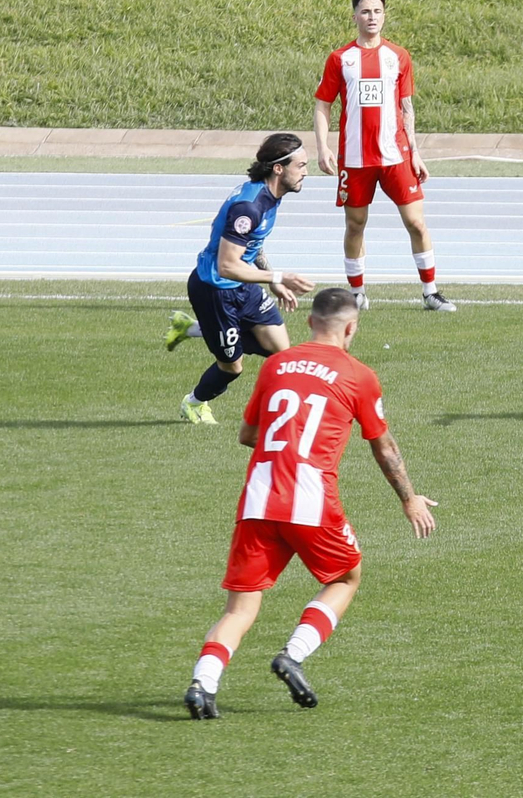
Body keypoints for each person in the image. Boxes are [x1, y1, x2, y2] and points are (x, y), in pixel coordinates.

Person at [183, 287, 438, 719]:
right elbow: (384, 446)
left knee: (241, 606)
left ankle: (202, 684)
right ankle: (292, 655)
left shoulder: (277, 365)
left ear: (308, 323)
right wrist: (409, 498)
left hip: (258, 496)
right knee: (345, 578)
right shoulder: (359, 375)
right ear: (352, 327)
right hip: (310, 498)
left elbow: (247, 435)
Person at [313, 0, 455, 313]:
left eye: (377, 11)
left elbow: (407, 107)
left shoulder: (398, 56)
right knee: (355, 225)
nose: (372, 17)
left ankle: (430, 292)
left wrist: (416, 152)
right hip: (355, 158)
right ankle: (357, 293)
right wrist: (322, 147)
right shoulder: (341, 59)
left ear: (384, 16)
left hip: (396, 156)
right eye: (365, 12)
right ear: (355, 17)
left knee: (416, 222)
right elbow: (323, 104)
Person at [164, 134, 317, 425]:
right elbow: (226, 266)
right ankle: (194, 402)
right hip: (214, 291)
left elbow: (253, 244)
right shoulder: (248, 207)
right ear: (278, 169)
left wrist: (272, 281)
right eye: (301, 165)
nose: (306, 172)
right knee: (232, 367)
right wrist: (278, 275)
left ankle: (196, 329)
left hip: (243, 286)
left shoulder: (269, 197)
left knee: (281, 353)